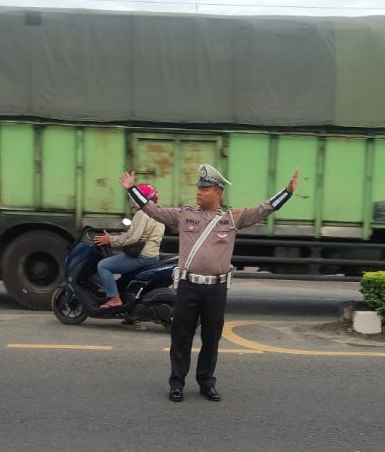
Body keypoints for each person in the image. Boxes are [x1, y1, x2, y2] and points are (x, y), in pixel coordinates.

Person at [119, 163, 299, 403]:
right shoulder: (185, 215)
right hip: (188, 286)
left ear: (218, 192)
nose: (199, 192)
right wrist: (132, 189)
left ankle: (206, 382)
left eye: (205, 188)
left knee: (211, 338)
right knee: (181, 336)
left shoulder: (232, 219)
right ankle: (177, 383)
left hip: (216, 288)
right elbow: (154, 211)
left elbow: (263, 209)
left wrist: (286, 192)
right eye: (198, 188)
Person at [92, 183, 165, 309]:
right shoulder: (159, 211)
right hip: (152, 256)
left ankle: (114, 298)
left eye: (134, 197)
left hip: (142, 256)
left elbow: (133, 237)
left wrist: (111, 240)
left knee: (103, 265)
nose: (132, 201)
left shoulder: (143, 213)